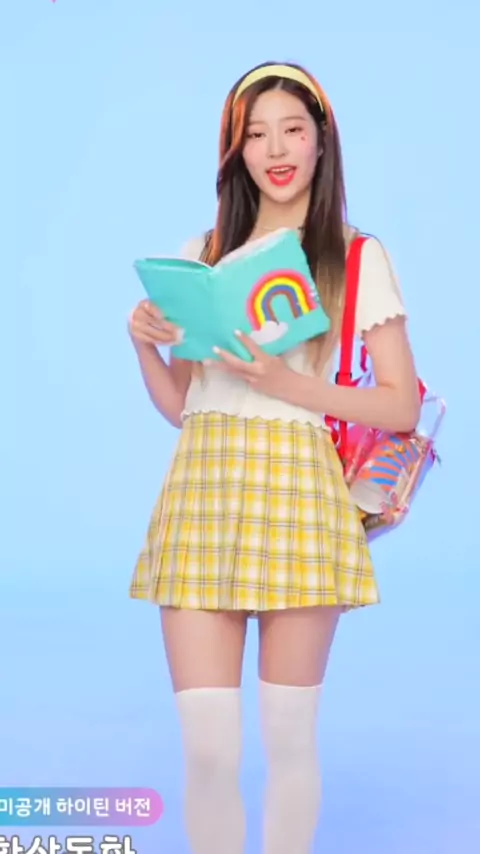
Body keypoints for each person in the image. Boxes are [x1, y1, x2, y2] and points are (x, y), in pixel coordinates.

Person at [128, 61, 420, 854]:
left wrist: (288, 384)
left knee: (289, 739)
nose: (276, 149)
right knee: (208, 748)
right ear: (237, 152)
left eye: (293, 129)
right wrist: (143, 344)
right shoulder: (203, 253)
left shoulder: (355, 257)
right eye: (256, 135)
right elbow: (184, 407)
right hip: (203, 492)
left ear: (322, 141)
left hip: (300, 493)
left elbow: (401, 403)